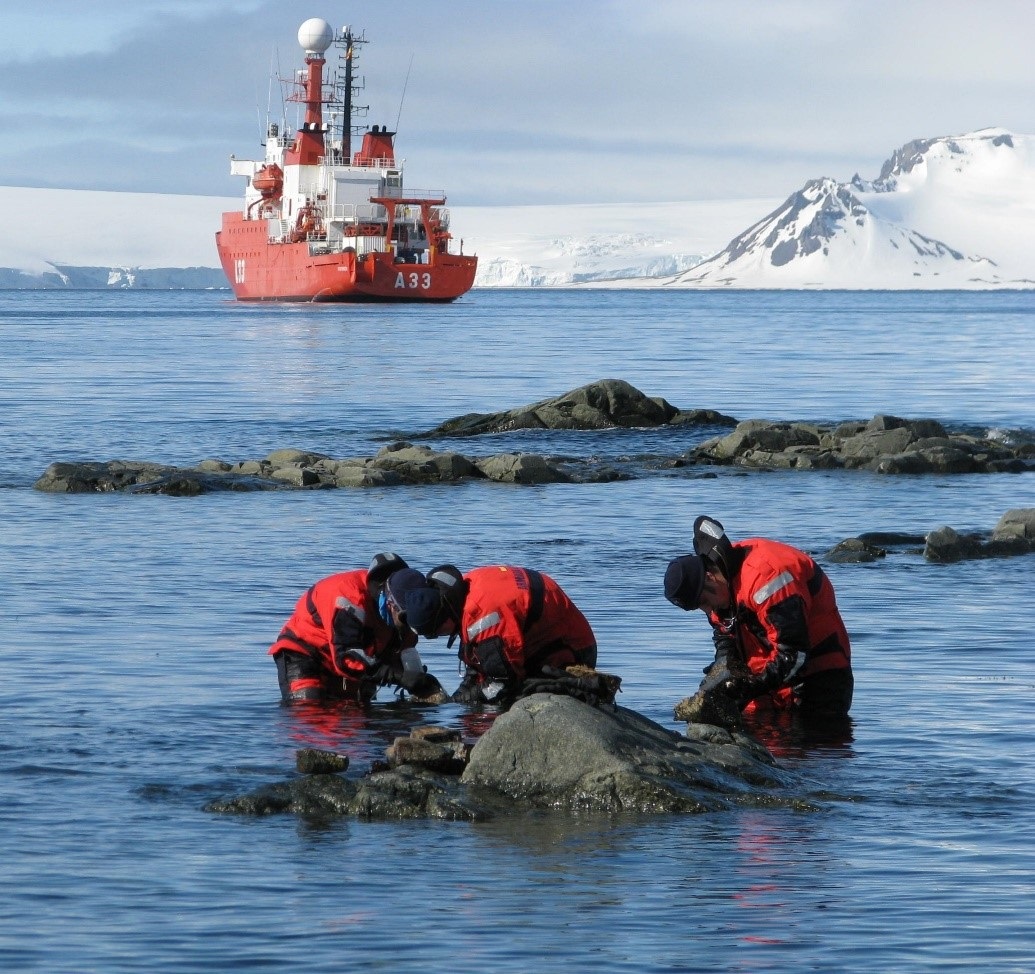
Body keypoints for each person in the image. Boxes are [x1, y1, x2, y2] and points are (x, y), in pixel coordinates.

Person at [664, 516, 853, 724]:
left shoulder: (767, 577)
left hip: (818, 680)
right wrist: (723, 671)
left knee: (802, 751)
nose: (709, 611)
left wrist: (750, 687)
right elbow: (725, 636)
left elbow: (795, 654)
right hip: (768, 683)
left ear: (709, 576)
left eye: (706, 602)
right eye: (701, 607)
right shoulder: (720, 586)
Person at [403, 564, 598, 704]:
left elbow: (502, 682)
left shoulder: (484, 618)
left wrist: (464, 700)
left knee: (506, 697)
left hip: (571, 651)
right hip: (548, 632)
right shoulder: (467, 587)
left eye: (434, 634)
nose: (439, 637)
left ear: (443, 620)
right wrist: (460, 696)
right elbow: (480, 663)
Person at [268, 552, 445, 704]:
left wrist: (415, 677)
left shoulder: (409, 606)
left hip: (361, 653)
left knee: (358, 713)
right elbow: (346, 658)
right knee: (310, 712)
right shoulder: (347, 599)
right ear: (391, 604)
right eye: (404, 620)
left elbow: (400, 650)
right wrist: (397, 676)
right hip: (305, 652)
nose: (408, 628)